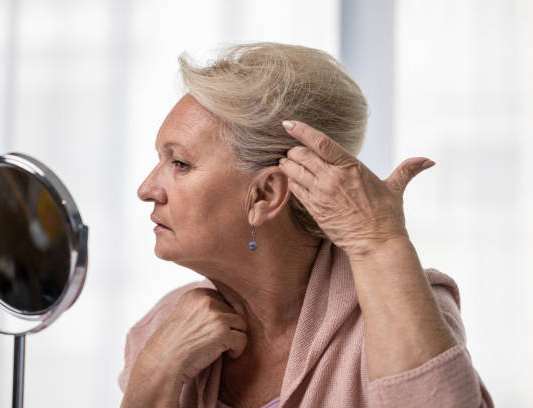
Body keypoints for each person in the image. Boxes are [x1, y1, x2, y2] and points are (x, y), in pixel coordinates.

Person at [118, 42, 494, 407]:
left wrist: (382, 243)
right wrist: (154, 374)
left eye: (179, 163)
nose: (146, 189)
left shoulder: (399, 306)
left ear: (265, 195)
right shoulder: (164, 329)